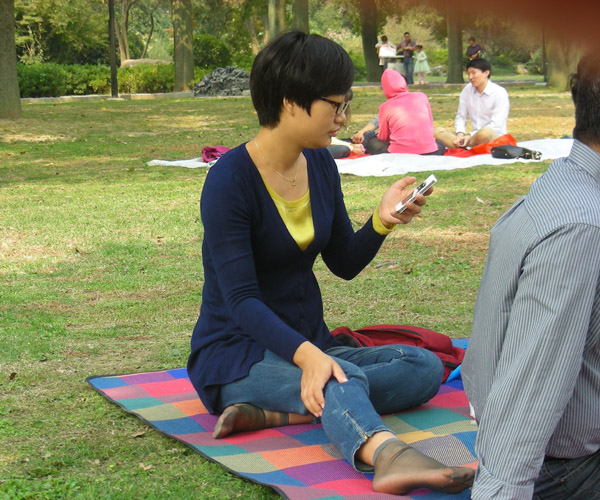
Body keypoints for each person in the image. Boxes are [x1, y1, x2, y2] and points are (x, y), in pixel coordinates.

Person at [187, 29, 475, 496]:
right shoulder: (229, 182)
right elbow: (241, 301)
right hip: (239, 354)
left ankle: (280, 412)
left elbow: (343, 262)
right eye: (335, 105)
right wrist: (311, 358)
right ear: (290, 101)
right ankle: (386, 455)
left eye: (346, 105)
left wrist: (381, 222)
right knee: (343, 377)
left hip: (309, 344)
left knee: (421, 366)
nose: (343, 118)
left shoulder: (320, 165)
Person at [462, 52, 600, 500]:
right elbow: (531, 387)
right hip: (563, 469)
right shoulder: (582, 227)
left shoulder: (567, 181)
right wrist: (502, 488)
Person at [363, 69, 445, 156]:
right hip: (430, 152)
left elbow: (383, 137)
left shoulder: (386, 106)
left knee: (370, 138)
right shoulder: (422, 96)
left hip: (399, 154)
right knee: (439, 143)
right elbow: (430, 125)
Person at [434, 58, 509, 148]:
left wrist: (469, 136)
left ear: (486, 73)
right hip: (472, 138)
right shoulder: (467, 90)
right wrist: (460, 135)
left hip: (493, 137)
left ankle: (464, 146)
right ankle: (462, 145)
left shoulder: (499, 92)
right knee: (437, 132)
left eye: (474, 73)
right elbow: (461, 117)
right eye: (468, 73)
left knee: (484, 132)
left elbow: (496, 125)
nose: (470, 77)